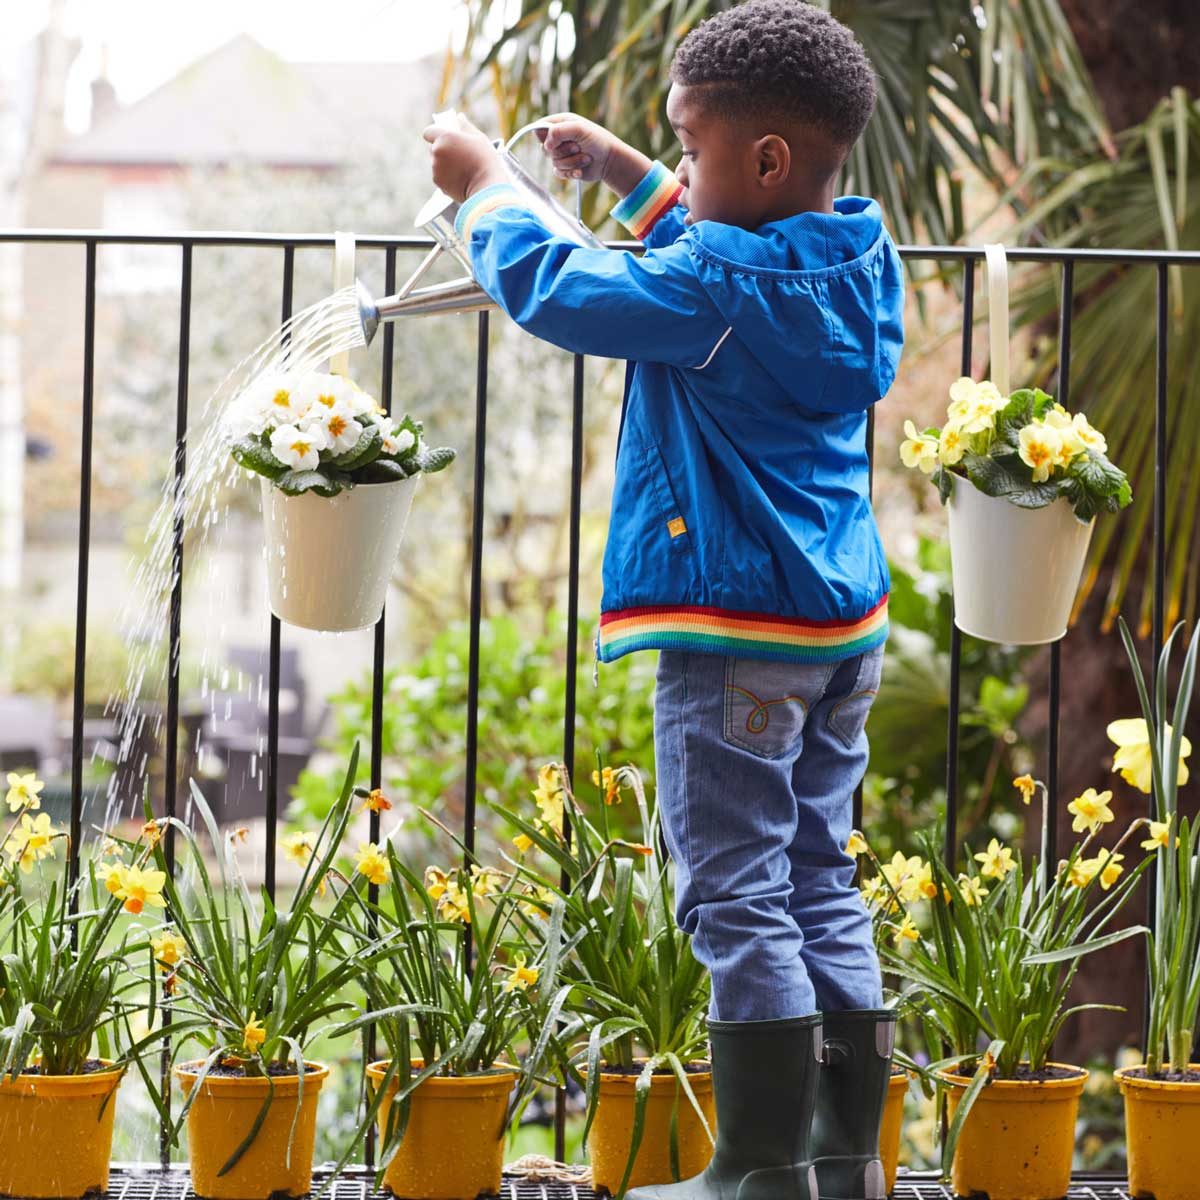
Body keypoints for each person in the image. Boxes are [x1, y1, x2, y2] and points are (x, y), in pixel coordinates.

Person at [424, 3, 904, 1197]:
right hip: (841, 630)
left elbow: (561, 291)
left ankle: (755, 1170)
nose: (679, 170)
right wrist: (631, 173)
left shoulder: (713, 291)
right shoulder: (853, 262)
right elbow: (726, 250)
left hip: (736, 637)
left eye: (688, 148)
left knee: (735, 893)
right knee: (816, 876)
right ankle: (843, 1161)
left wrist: (485, 187)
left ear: (767, 158)